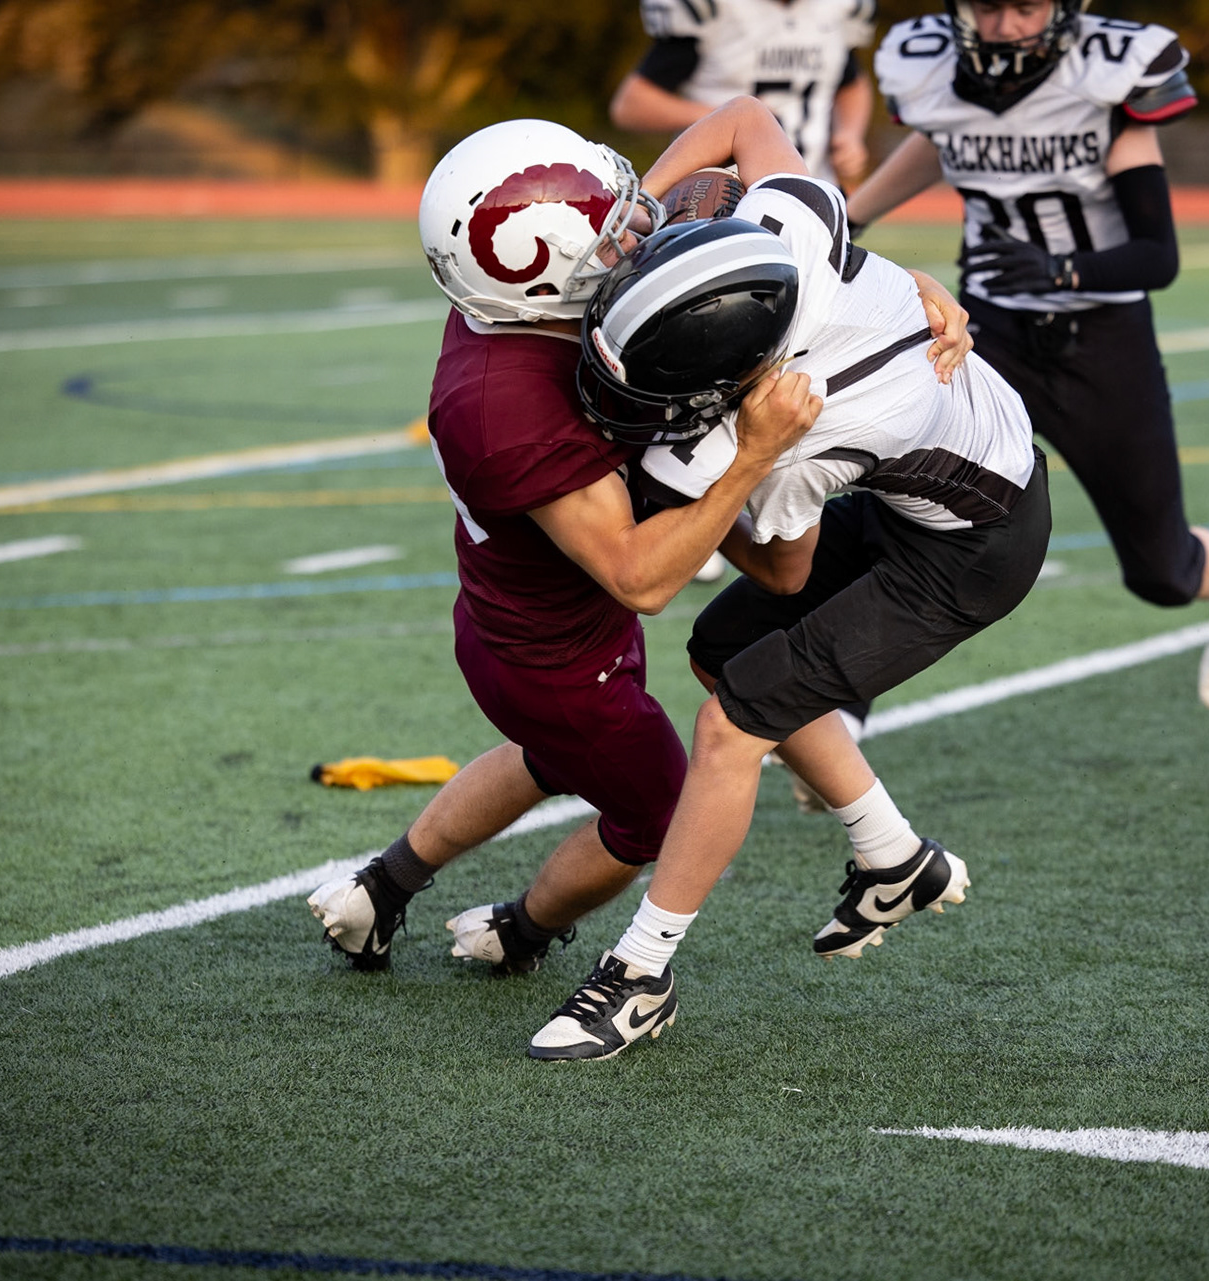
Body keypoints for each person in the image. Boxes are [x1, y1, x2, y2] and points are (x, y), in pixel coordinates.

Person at [308, 119, 971, 977]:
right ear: (546, 272)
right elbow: (643, 575)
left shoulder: (514, 305)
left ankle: (380, 890)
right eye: (612, 225)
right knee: (652, 813)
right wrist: (759, 456)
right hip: (558, 648)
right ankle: (522, 931)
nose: (636, 228)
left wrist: (881, 289)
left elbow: (739, 128)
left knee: (550, 755)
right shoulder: (506, 410)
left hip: (522, 619)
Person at [527, 96, 1052, 1062]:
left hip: (975, 547)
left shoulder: (807, 428)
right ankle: (895, 855)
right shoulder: (790, 226)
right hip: (941, 468)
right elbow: (741, 115)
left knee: (736, 721)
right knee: (725, 648)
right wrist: (642, 211)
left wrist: (732, 470)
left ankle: (641, 972)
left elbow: (785, 565)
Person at [844, 0, 1209, 715]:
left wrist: (1061, 271)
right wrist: (854, 212)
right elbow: (944, 135)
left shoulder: (1104, 79)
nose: (1007, 25)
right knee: (896, 501)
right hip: (985, 334)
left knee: (1163, 572)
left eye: (1026, 6)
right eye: (988, 6)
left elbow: (1157, 255)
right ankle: (839, 700)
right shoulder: (933, 65)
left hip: (1099, 338)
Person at [611, 0, 879, 188]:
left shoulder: (838, 9)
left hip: (814, 187)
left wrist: (850, 133)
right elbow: (631, 105)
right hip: (720, 196)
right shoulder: (715, 9)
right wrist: (734, 124)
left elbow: (852, 82)